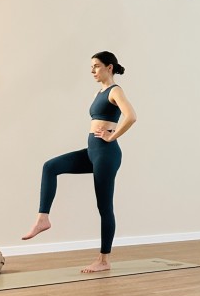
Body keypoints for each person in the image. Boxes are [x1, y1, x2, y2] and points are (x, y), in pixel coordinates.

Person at [22, 51, 137, 273]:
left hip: (106, 154)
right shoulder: (99, 92)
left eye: (96, 66)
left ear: (109, 67)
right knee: (50, 166)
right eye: (91, 67)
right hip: (93, 152)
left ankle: (104, 260)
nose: (93, 71)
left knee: (104, 207)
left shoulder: (115, 91)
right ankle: (42, 219)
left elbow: (131, 116)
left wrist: (112, 136)